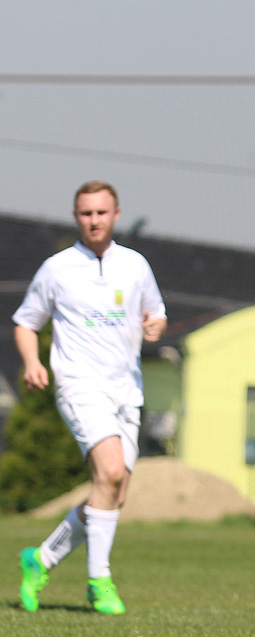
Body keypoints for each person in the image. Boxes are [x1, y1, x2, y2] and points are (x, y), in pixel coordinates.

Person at [15, 181, 167, 615]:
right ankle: (99, 582)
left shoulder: (135, 265)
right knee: (111, 472)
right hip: (79, 385)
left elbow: (155, 314)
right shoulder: (57, 268)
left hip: (127, 389)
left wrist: (155, 326)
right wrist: (31, 362)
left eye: (101, 212)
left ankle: (40, 559)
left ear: (116, 214)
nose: (94, 220)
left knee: (113, 492)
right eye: (85, 213)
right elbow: (26, 322)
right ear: (76, 216)